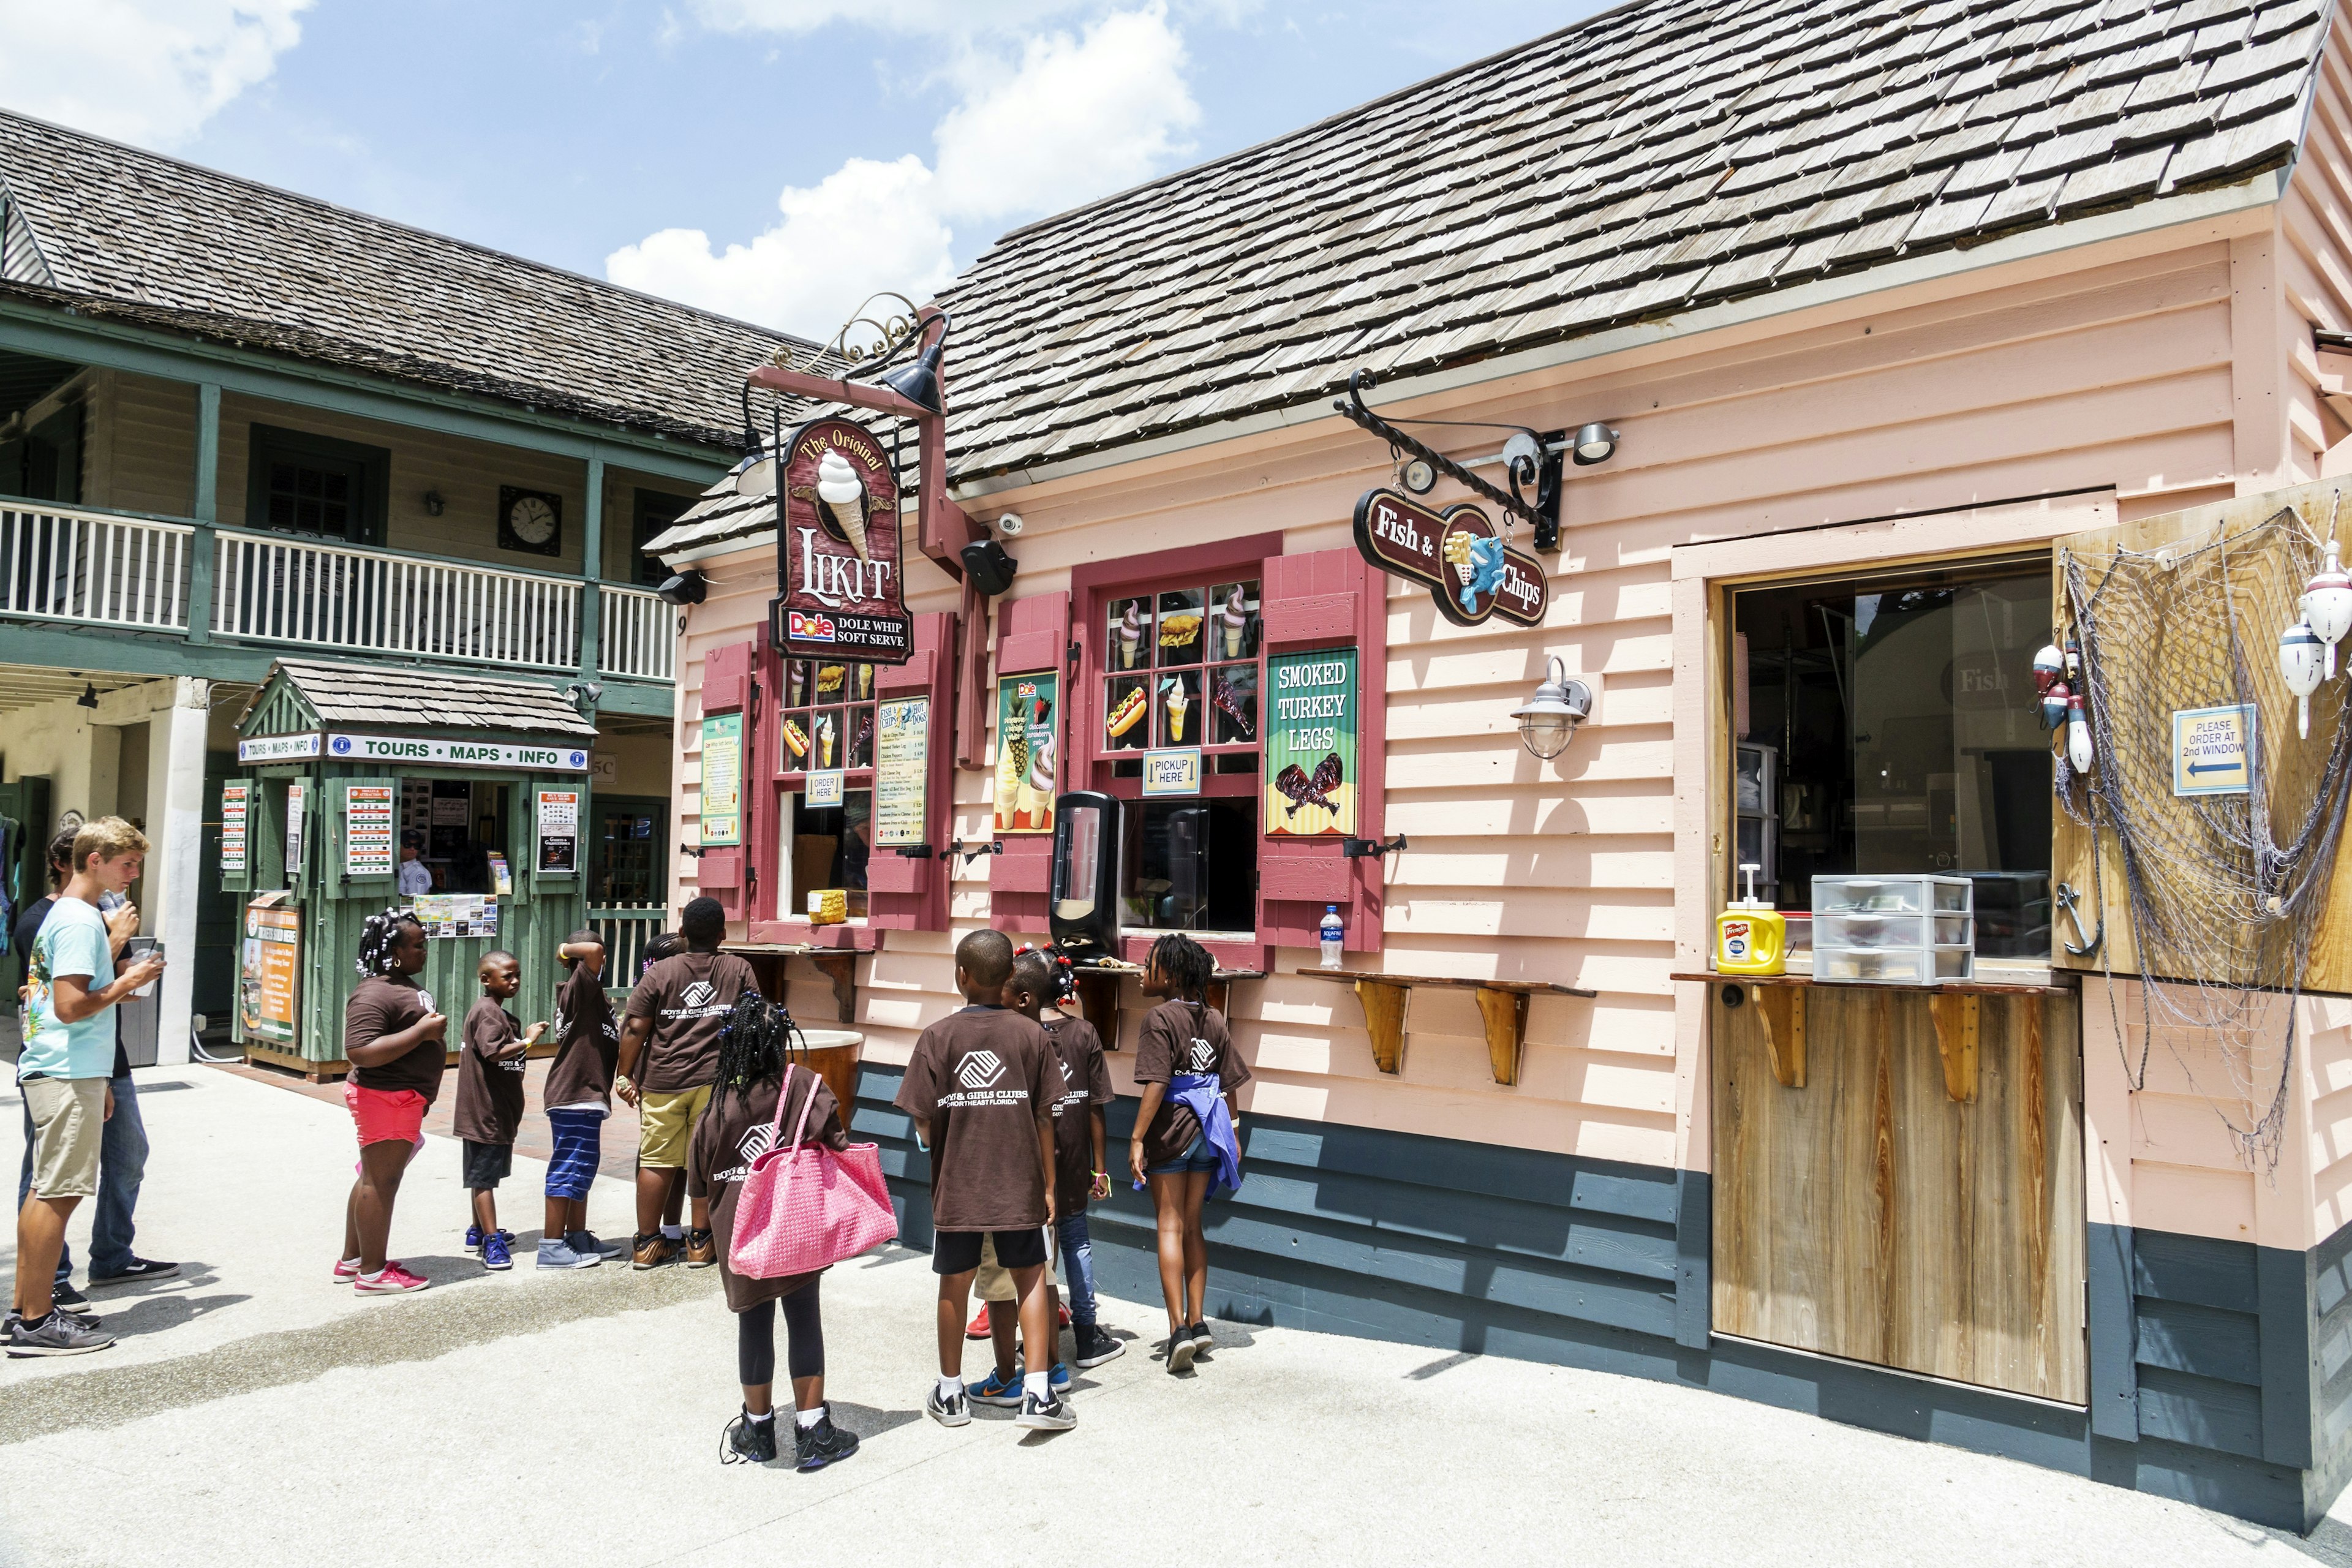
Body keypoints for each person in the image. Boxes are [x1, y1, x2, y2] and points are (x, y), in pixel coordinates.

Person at [895, 929, 1072, 1432]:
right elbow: (1045, 1118)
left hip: (959, 1183)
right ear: (1009, 978)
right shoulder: (1031, 1035)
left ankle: (951, 1394)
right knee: (1031, 1276)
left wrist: (941, 1136)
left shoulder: (938, 1037)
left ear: (961, 976)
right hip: (1020, 1180)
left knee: (955, 1280)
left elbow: (923, 1119)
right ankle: (1039, 1394)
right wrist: (1049, 1187)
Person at [10, 816, 164, 1355]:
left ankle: (25, 1310)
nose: (134, 873)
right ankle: (36, 1322)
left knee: (45, 1191)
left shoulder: (71, 915)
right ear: (93, 860)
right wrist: (128, 982)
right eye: (127, 863)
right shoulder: (79, 922)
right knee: (58, 1193)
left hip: (69, 1067)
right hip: (68, 1069)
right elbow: (71, 1006)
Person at [690, 993, 859, 1471]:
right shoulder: (804, 1086)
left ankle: (758, 1429)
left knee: (753, 1322)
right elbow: (838, 1140)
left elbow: (699, 1181)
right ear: (780, 1040)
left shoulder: (718, 1104)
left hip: (736, 1232)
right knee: (804, 1318)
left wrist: (702, 1236)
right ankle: (812, 1430)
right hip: (795, 1226)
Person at [1128, 933, 1248, 1373]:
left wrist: (1138, 1137)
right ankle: (1200, 1324)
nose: (1142, 972)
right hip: (1209, 1131)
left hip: (1173, 1129)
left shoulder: (1159, 1018)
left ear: (1172, 975)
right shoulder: (1214, 1019)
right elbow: (1228, 1083)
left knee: (1169, 1226)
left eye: (1149, 965)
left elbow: (1158, 1083)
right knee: (1195, 1225)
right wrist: (1233, 1133)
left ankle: (1177, 1328)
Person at [617, 898, 752, 1270]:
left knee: (657, 1159)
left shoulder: (659, 973)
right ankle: (701, 1242)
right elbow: (751, 1023)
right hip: (717, 1083)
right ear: (723, 934)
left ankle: (647, 1244)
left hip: (663, 1082)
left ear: (681, 934)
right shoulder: (739, 968)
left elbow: (634, 1027)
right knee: (704, 1160)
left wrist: (625, 1073)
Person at [1012, 949, 1120, 1370]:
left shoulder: (1016, 1033)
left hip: (1027, 1159)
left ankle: (1032, 1339)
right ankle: (1087, 1335)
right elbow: (1095, 1107)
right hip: (1076, 1159)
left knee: (1035, 1250)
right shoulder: (1085, 1033)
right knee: (1076, 1240)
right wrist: (1100, 1168)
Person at [337, 910, 448, 1294]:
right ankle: (372, 1273)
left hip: (401, 1097)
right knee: (381, 1181)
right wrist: (421, 1032)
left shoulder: (402, 985)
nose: (425, 951)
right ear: (394, 951)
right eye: (418, 945)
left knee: (372, 1176)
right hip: (385, 1097)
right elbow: (360, 1051)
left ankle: (353, 1259)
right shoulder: (374, 992)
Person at [451, 951, 545, 1272]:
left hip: (497, 1112)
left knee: (485, 1175)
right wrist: (528, 1041)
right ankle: (492, 1242)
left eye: (517, 974)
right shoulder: (487, 1012)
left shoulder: (497, 1013)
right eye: (508, 976)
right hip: (484, 1114)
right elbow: (494, 1053)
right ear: (486, 979)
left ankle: (478, 1231)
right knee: (484, 1180)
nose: (515, 981)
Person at [537, 929, 624, 1269]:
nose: (601, 960)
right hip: (575, 1093)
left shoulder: (593, 994)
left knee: (581, 1169)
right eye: (597, 959)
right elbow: (591, 950)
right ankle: (551, 1247)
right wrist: (564, 948)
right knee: (567, 1167)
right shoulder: (579, 986)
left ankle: (575, 1236)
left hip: (587, 1096)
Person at [396, 832, 434, 898]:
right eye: (408, 845)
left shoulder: (418, 872)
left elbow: (414, 901)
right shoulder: (396, 867)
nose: (412, 849)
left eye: (417, 846)